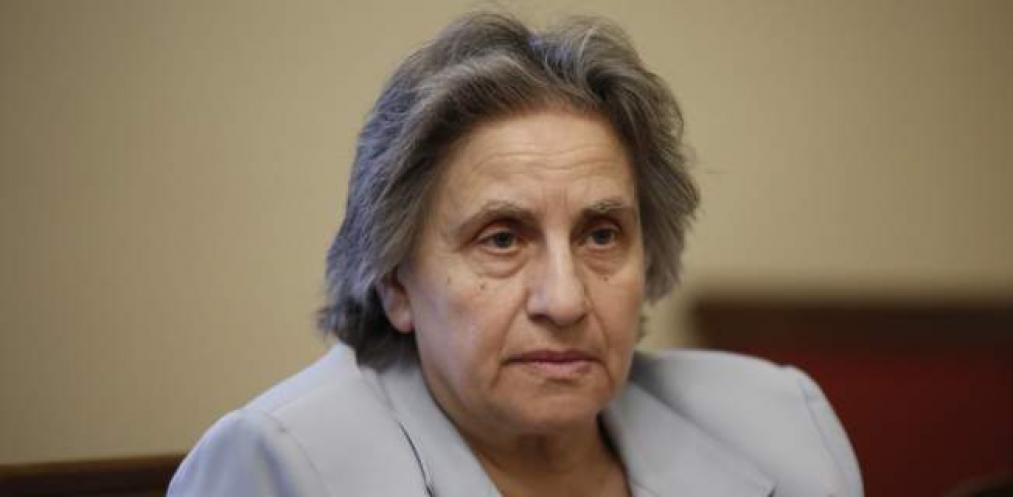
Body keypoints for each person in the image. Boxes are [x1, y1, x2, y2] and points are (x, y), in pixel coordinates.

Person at [168, 11, 862, 497]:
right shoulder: (280, 466)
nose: (565, 300)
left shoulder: (780, 422)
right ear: (395, 283)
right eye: (501, 238)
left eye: (601, 234)